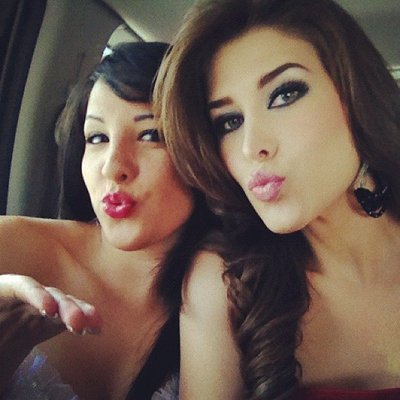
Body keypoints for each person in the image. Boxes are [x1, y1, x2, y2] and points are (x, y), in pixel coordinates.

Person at [154, 0, 400, 398]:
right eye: (229, 122)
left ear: (356, 96)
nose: (252, 146)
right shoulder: (225, 284)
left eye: (284, 95)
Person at [0, 41, 216, 400]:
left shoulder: (229, 291)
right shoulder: (10, 246)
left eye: (151, 135)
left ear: (202, 150)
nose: (113, 166)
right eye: (97, 138)